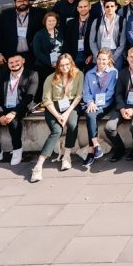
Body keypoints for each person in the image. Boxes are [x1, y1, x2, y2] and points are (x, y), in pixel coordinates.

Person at [30, 53, 84, 182]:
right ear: (58, 66)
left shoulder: (79, 74)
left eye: (67, 64)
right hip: (54, 107)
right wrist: (58, 116)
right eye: (62, 65)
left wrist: (66, 113)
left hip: (71, 105)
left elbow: (78, 96)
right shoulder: (51, 78)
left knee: (72, 125)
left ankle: (66, 156)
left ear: (71, 64)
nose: (65, 67)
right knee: (56, 131)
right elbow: (46, 100)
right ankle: (39, 165)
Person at [0, 53, 38, 168]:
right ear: (8, 64)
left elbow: (28, 98)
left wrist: (14, 112)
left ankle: (17, 150)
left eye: (17, 61)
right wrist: (0, 115)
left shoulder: (32, 74)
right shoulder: (2, 76)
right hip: (3, 108)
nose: (14, 64)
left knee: (13, 122)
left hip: (21, 106)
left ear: (23, 61)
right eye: (11, 62)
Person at [80, 50, 117, 167]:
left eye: (104, 59)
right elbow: (86, 92)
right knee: (90, 114)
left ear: (109, 60)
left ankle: (91, 151)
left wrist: (95, 103)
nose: (101, 62)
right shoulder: (89, 73)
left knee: (90, 115)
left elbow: (110, 92)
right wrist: (90, 102)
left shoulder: (113, 72)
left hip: (106, 104)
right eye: (99, 59)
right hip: (90, 104)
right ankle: (95, 145)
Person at [0, 0, 45, 66]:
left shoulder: (39, 13)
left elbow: (45, 32)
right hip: (11, 54)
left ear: (28, 1)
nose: (22, 3)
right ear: (14, 3)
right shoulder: (6, 14)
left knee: (33, 73)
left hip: (32, 53)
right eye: (19, 1)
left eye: (25, 0)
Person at [31, 12, 65, 101]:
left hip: (60, 65)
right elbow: (38, 52)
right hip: (44, 66)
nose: (51, 22)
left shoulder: (61, 32)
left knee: (58, 86)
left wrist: (60, 62)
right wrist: (51, 63)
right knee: (46, 87)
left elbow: (64, 47)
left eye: (53, 20)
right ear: (45, 21)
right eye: (49, 20)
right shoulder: (39, 34)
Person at [88, 0, 127, 69]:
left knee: (115, 74)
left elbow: (122, 43)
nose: (110, 8)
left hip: (115, 53)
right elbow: (92, 41)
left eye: (112, 6)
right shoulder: (97, 21)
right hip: (100, 52)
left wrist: (113, 58)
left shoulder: (122, 21)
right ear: (104, 8)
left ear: (116, 7)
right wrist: (98, 55)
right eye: (107, 6)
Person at [64, 0, 94, 71]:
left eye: (85, 6)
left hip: (89, 55)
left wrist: (92, 55)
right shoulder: (70, 23)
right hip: (75, 56)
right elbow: (67, 41)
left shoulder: (95, 21)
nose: (83, 9)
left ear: (90, 7)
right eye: (80, 7)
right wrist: (69, 57)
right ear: (77, 9)